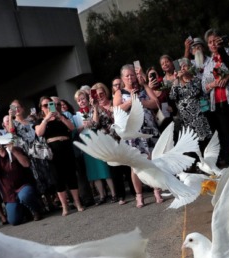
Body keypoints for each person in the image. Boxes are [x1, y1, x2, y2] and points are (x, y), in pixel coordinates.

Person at [113, 63, 162, 208]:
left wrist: (141, 99)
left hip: (148, 129)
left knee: (152, 161)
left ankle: (157, 190)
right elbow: (116, 109)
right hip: (131, 133)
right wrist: (130, 101)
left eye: (131, 75)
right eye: (126, 75)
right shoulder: (120, 93)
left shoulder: (143, 88)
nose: (129, 77)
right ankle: (139, 196)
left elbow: (156, 103)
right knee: (135, 166)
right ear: (123, 78)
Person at [35, 95, 85, 216]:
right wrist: (46, 119)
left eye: (50, 104)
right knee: (58, 179)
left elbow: (72, 128)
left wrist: (60, 118)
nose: (48, 107)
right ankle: (65, 206)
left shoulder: (61, 116)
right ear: (41, 108)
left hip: (66, 148)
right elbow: (39, 132)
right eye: (45, 105)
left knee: (71, 176)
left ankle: (77, 203)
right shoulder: (40, 120)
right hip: (53, 152)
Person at [202, 28, 229, 167]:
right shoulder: (208, 63)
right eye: (210, 42)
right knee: (228, 133)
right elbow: (204, 87)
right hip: (218, 102)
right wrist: (212, 84)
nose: (213, 44)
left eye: (215, 40)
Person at [73, 89, 115, 205]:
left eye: (82, 99)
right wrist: (82, 126)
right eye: (78, 100)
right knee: (93, 171)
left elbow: (96, 122)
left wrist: (94, 111)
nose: (81, 102)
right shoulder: (76, 115)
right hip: (86, 142)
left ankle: (113, 193)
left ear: (87, 99)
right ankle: (102, 195)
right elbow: (74, 130)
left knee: (103, 166)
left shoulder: (94, 109)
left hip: (97, 138)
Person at [0, 143, 43, 225]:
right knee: (14, 221)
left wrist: (13, 151)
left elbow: (26, 164)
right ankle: (24, 210)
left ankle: (36, 210)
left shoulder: (15, 149)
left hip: (23, 186)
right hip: (9, 193)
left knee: (25, 196)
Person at [170, 58, 213, 144]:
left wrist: (182, 80)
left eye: (185, 66)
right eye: (180, 67)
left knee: (204, 142)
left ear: (190, 67)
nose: (182, 68)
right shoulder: (176, 83)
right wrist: (176, 80)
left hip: (198, 118)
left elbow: (194, 92)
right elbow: (172, 96)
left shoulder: (196, 79)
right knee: (192, 144)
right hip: (185, 120)